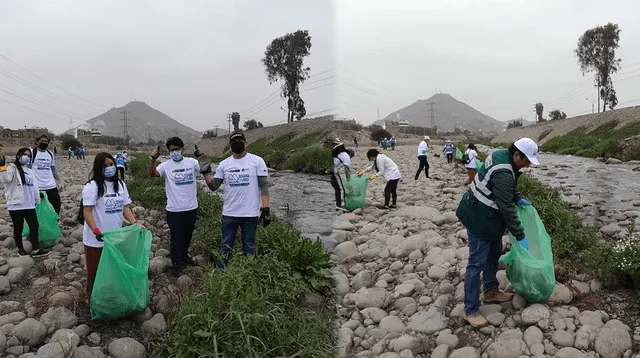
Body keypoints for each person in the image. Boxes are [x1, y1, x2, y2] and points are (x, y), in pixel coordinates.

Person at [455, 138, 539, 328]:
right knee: (476, 263)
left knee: (494, 252)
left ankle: (491, 291)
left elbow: (506, 189)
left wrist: (518, 198)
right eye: (526, 161)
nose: (527, 166)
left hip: (487, 216)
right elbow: (506, 207)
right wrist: (520, 236)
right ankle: (470, 310)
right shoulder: (504, 170)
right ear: (517, 154)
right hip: (478, 215)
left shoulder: (504, 156)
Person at [201, 133, 271, 268]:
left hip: (250, 214)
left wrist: (265, 209)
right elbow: (214, 186)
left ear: (246, 143)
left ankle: (248, 274)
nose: (237, 143)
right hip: (229, 213)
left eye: (240, 140)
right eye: (234, 141)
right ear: (230, 145)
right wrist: (205, 174)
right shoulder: (224, 164)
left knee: (249, 246)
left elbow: (263, 185)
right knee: (226, 246)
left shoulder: (257, 161)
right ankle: (222, 275)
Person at [82, 152, 139, 305]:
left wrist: (134, 222)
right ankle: (92, 301)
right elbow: (87, 212)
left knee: (113, 271)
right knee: (94, 273)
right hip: (96, 240)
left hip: (115, 238)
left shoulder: (120, 185)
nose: (109, 168)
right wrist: (95, 230)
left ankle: (111, 299)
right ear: (98, 168)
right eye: (105, 166)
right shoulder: (92, 187)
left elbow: (125, 208)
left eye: (111, 164)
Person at [149, 137, 199, 272]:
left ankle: (184, 255)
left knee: (188, 234)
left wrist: (203, 156)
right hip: (174, 209)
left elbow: (205, 169)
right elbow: (153, 174)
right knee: (176, 235)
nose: (174, 152)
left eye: (176, 149)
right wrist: (153, 160)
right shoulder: (166, 165)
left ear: (182, 149)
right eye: (171, 150)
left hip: (191, 207)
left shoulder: (192, 162)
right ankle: (176, 262)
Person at [0, 148, 49, 256]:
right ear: (19, 155)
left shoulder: (29, 170)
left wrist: (37, 197)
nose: (27, 157)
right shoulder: (12, 168)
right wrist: (2, 167)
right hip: (16, 204)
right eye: (25, 154)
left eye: (29, 155)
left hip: (29, 204)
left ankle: (35, 248)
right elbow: (5, 180)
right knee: (19, 227)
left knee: (34, 226)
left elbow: (34, 186)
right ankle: (20, 249)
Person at [29, 134, 65, 216]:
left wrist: (59, 180)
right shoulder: (32, 153)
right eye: (42, 141)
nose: (44, 143)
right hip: (37, 187)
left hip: (51, 186)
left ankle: (53, 223)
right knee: (37, 208)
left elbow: (52, 169)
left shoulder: (50, 154)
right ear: (37, 142)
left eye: (46, 141)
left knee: (56, 205)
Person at [330, 142, 354, 212]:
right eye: (351, 156)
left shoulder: (341, 154)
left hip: (330, 171)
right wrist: (349, 181)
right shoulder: (346, 156)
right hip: (333, 172)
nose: (351, 158)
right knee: (341, 189)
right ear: (350, 154)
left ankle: (338, 205)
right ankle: (340, 205)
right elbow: (347, 170)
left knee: (337, 189)